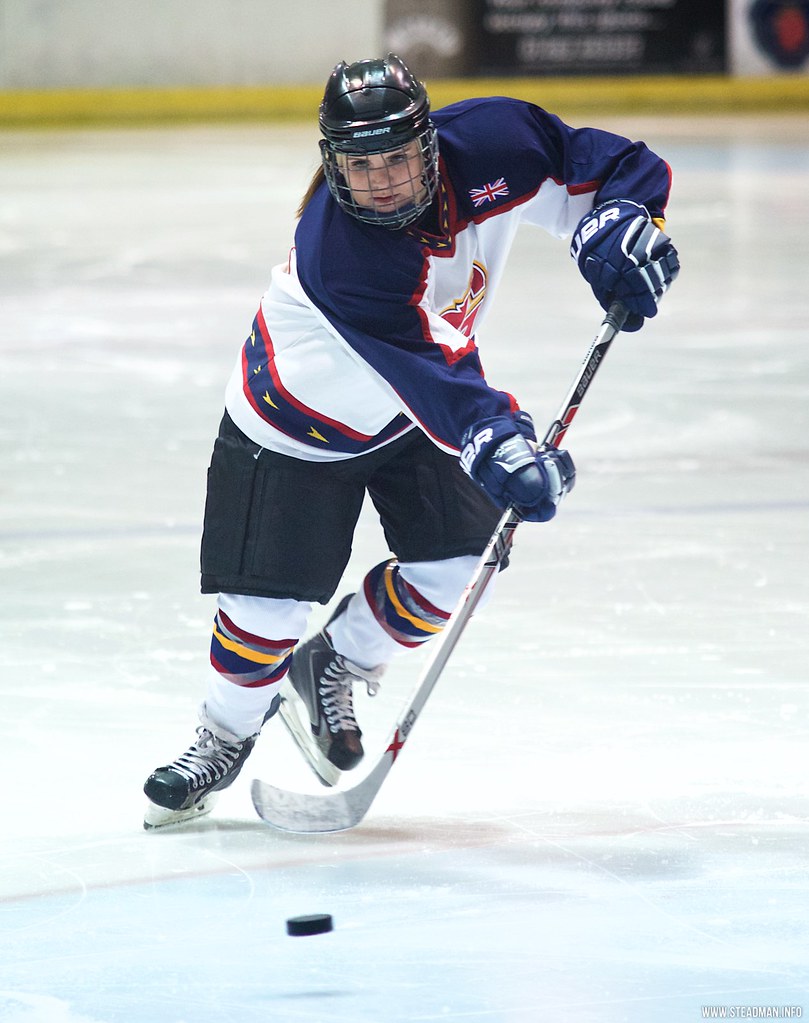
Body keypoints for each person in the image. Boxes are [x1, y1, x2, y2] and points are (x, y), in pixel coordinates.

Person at [143, 54, 679, 828]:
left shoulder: (496, 141)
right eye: (363, 167)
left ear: (429, 144)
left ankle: (340, 657)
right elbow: (429, 368)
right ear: (334, 166)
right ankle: (223, 734)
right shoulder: (343, 252)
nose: (384, 181)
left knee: (462, 564)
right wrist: (501, 441)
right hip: (295, 426)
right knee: (264, 611)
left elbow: (609, 167)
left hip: (411, 417)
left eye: (397, 157)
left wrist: (623, 218)